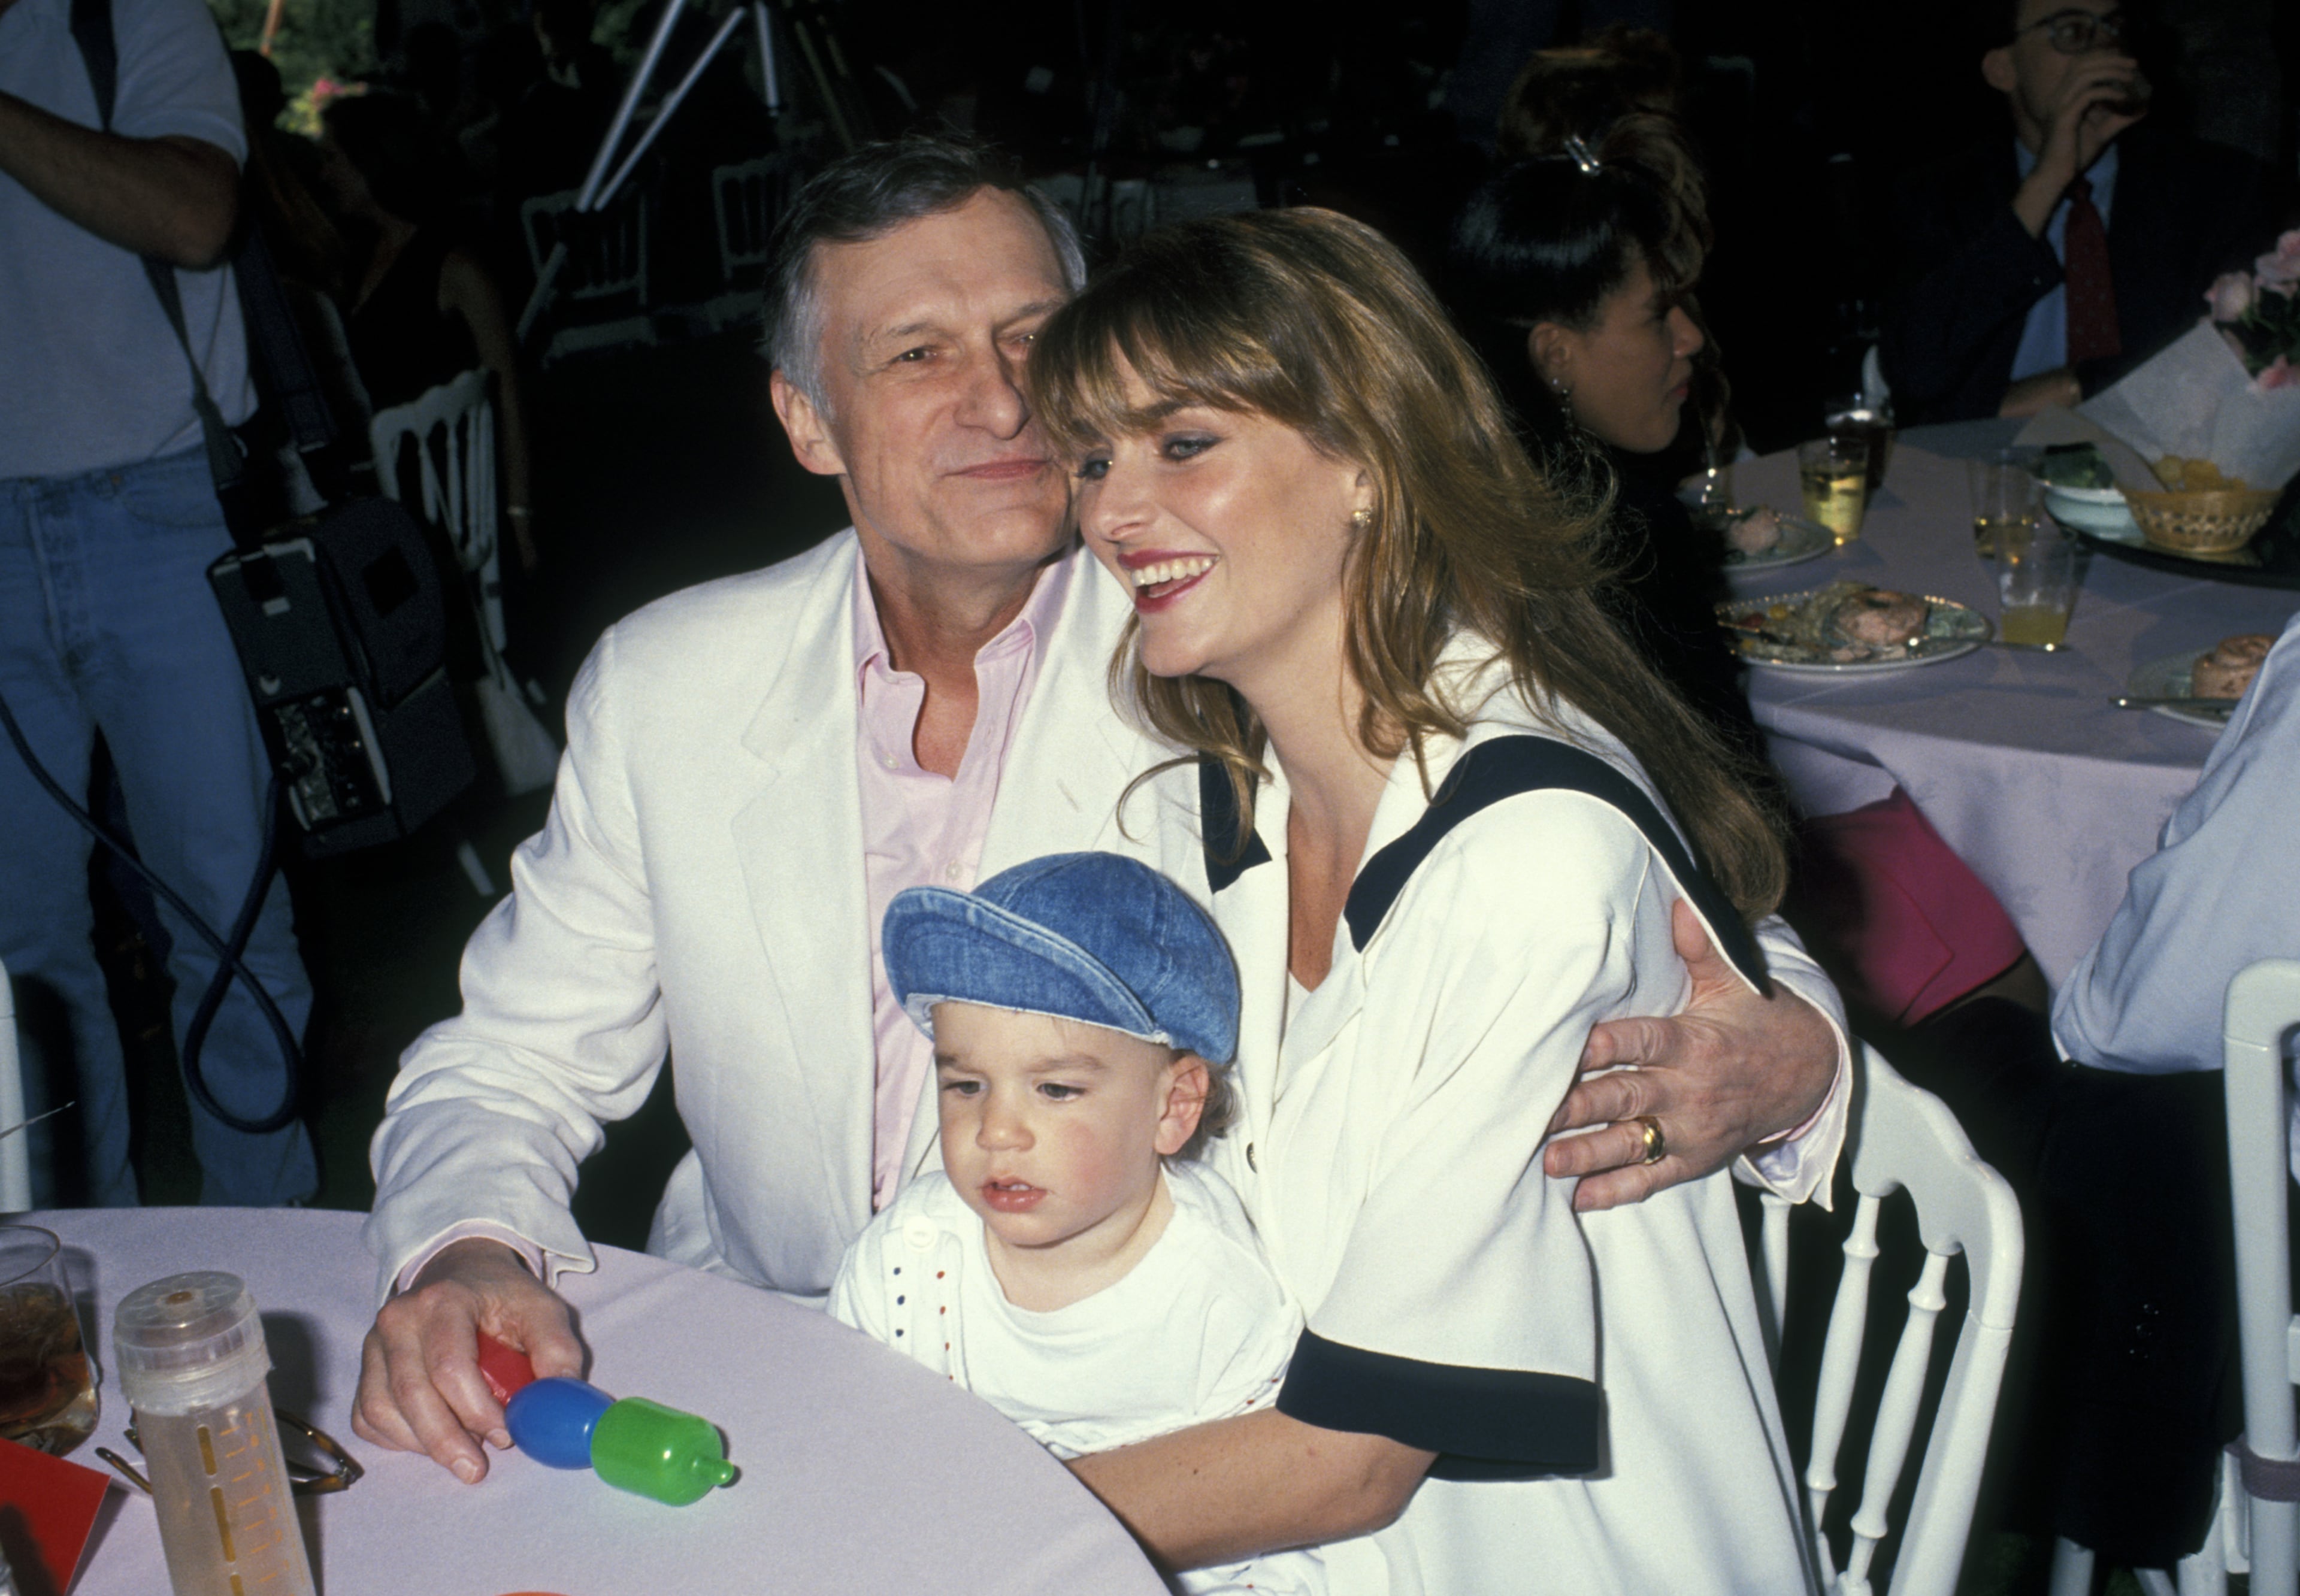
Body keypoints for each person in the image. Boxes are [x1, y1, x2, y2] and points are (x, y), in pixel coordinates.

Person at [352, 135, 1848, 1489]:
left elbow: (1590, 868)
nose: (1000, 398)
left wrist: (1795, 1049)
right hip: (770, 1373)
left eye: (1031, 341)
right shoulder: (672, 683)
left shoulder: (1228, 643)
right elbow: (508, 1058)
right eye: (918, 354)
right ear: (808, 420)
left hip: (1158, 1410)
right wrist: (470, 1243)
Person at [1029, 206, 1815, 1590]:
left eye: (1183, 443)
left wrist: (940, 1509)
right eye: (1092, 455)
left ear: (1366, 463)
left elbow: (1360, 1446)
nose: (1107, 508)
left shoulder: (1518, 852)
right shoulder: (1206, 805)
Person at [0, 0, 319, 1206]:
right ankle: (65, 1299)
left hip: (161, 507)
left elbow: (196, 216)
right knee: (20, 968)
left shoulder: (125, 13)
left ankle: (271, 1265)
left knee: (229, 930)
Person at [831, 851, 1318, 1596]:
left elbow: (1282, 1545)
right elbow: (849, 1460)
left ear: (1172, 1107)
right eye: (966, 1084)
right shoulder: (908, 1258)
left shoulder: (1223, 1298)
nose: (997, 1131)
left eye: (1055, 1089)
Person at [1450, 117, 1754, 756]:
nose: (1689, 338)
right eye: (1655, 317)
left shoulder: (1456, 498)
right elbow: (1730, 795)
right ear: (1555, 353)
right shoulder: (1623, 535)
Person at [1878, 0, 2281, 424]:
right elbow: (1915, 379)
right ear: (2003, 69)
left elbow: (2222, 366)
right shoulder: (1937, 198)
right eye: (2071, 32)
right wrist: (2046, 182)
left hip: (2160, 473)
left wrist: (2067, 390)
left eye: (2113, 27)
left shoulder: (2216, 189)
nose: (2104, 50)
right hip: (1984, 474)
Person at [317, 92, 537, 573]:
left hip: (443, 486)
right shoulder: (356, 260)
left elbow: (508, 391)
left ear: (369, 160)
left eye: (333, 157)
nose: (324, 174)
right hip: (383, 472)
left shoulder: (456, 264)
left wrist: (518, 513)